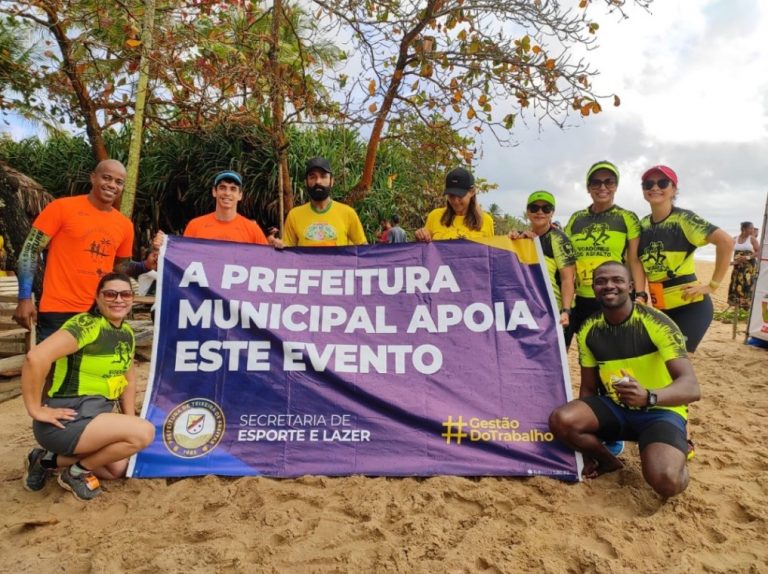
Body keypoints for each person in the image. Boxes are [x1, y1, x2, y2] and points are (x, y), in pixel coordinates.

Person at [549, 261, 700, 497]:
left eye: (617, 280)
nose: (609, 286)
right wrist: (588, 452)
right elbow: (588, 388)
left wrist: (648, 396)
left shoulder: (657, 323)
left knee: (666, 481)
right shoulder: (589, 328)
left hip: (659, 411)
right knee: (562, 420)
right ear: (594, 288)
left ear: (630, 287)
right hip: (617, 409)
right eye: (601, 281)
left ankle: (678, 449)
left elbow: (691, 387)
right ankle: (609, 462)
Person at [21, 272, 155, 500]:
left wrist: (130, 418)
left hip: (95, 417)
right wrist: (35, 409)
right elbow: (36, 358)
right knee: (144, 433)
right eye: (110, 294)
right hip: (67, 418)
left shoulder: (126, 332)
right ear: (97, 297)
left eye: (125, 294)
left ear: (133, 298)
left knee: (115, 469)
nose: (118, 299)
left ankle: (44, 460)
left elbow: (129, 379)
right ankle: (75, 473)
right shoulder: (86, 324)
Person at [12, 159, 156, 341]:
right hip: (59, 309)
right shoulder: (61, 207)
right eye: (107, 178)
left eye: (118, 182)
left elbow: (120, 267)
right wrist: (24, 298)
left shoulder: (124, 225)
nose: (112, 185)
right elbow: (30, 250)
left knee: (96, 368)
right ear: (93, 178)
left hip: (101, 309)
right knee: (54, 366)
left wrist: (145, 265)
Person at [635, 165, 734, 352]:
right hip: (660, 308)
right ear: (644, 191)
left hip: (690, 307)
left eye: (662, 183)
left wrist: (712, 286)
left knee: (675, 361)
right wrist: (640, 295)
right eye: (649, 184)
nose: (655, 188)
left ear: (673, 189)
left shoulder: (684, 219)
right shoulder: (643, 224)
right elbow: (637, 262)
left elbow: (726, 242)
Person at [564, 161, 645, 348]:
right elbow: (565, 259)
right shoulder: (576, 218)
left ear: (616, 186)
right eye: (596, 182)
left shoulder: (627, 217)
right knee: (587, 354)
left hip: (615, 298)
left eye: (609, 182)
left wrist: (640, 294)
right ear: (588, 187)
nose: (602, 187)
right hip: (583, 299)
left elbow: (634, 259)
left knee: (616, 356)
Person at [509, 191, 576, 327]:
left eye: (546, 209)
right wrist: (510, 241)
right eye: (534, 208)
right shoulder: (522, 238)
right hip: (530, 310)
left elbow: (567, 279)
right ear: (527, 212)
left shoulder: (559, 239)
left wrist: (566, 310)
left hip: (556, 310)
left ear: (552, 213)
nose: (540, 212)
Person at [275, 157, 367, 247]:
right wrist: (276, 249)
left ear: (331, 181)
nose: (318, 181)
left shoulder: (348, 213)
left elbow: (364, 251)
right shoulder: (294, 215)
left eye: (323, 176)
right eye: (312, 177)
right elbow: (287, 254)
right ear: (306, 182)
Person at [183, 170, 269, 244]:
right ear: (214, 192)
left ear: (240, 195)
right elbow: (182, 259)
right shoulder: (194, 227)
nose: (227, 193)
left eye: (233, 189)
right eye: (222, 188)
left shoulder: (253, 230)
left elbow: (267, 259)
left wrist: (278, 251)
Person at [414, 167, 494, 242]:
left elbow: (490, 254)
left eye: (460, 195)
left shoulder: (486, 221)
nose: (455, 201)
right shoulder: (434, 216)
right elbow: (424, 251)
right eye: (451, 195)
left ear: (472, 192)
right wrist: (420, 236)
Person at [727, 221, 760, 309]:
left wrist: (748, 257)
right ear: (744, 229)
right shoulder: (735, 239)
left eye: (753, 228)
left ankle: (746, 305)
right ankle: (736, 304)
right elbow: (727, 251)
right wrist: (731, 262)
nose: (753, 230)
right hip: (738, 266)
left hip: (749, 266)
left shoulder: (752, 239)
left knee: (747, 284)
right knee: (736, 283)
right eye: (751, 228)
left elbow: (758, 251)